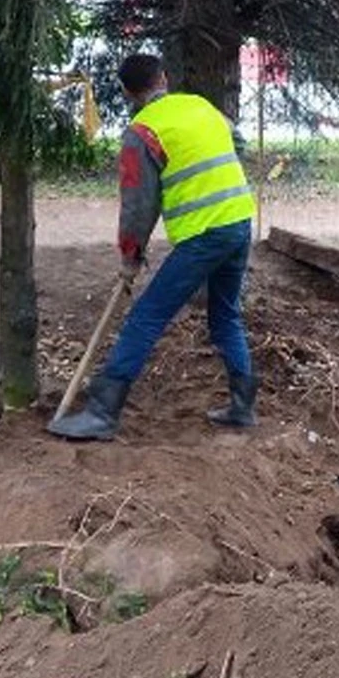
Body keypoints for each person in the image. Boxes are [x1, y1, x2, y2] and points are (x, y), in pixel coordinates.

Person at [49, 53, 259, 441]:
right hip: (239, 221)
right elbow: (238, 142)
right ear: (164, 77)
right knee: (226, 315)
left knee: (145, 317)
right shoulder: (200, 106)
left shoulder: (142, 131)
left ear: (129, 93)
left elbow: (138, 205)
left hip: (203, 234)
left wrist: (130, 256)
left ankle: (101, 413)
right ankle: (243, 405)